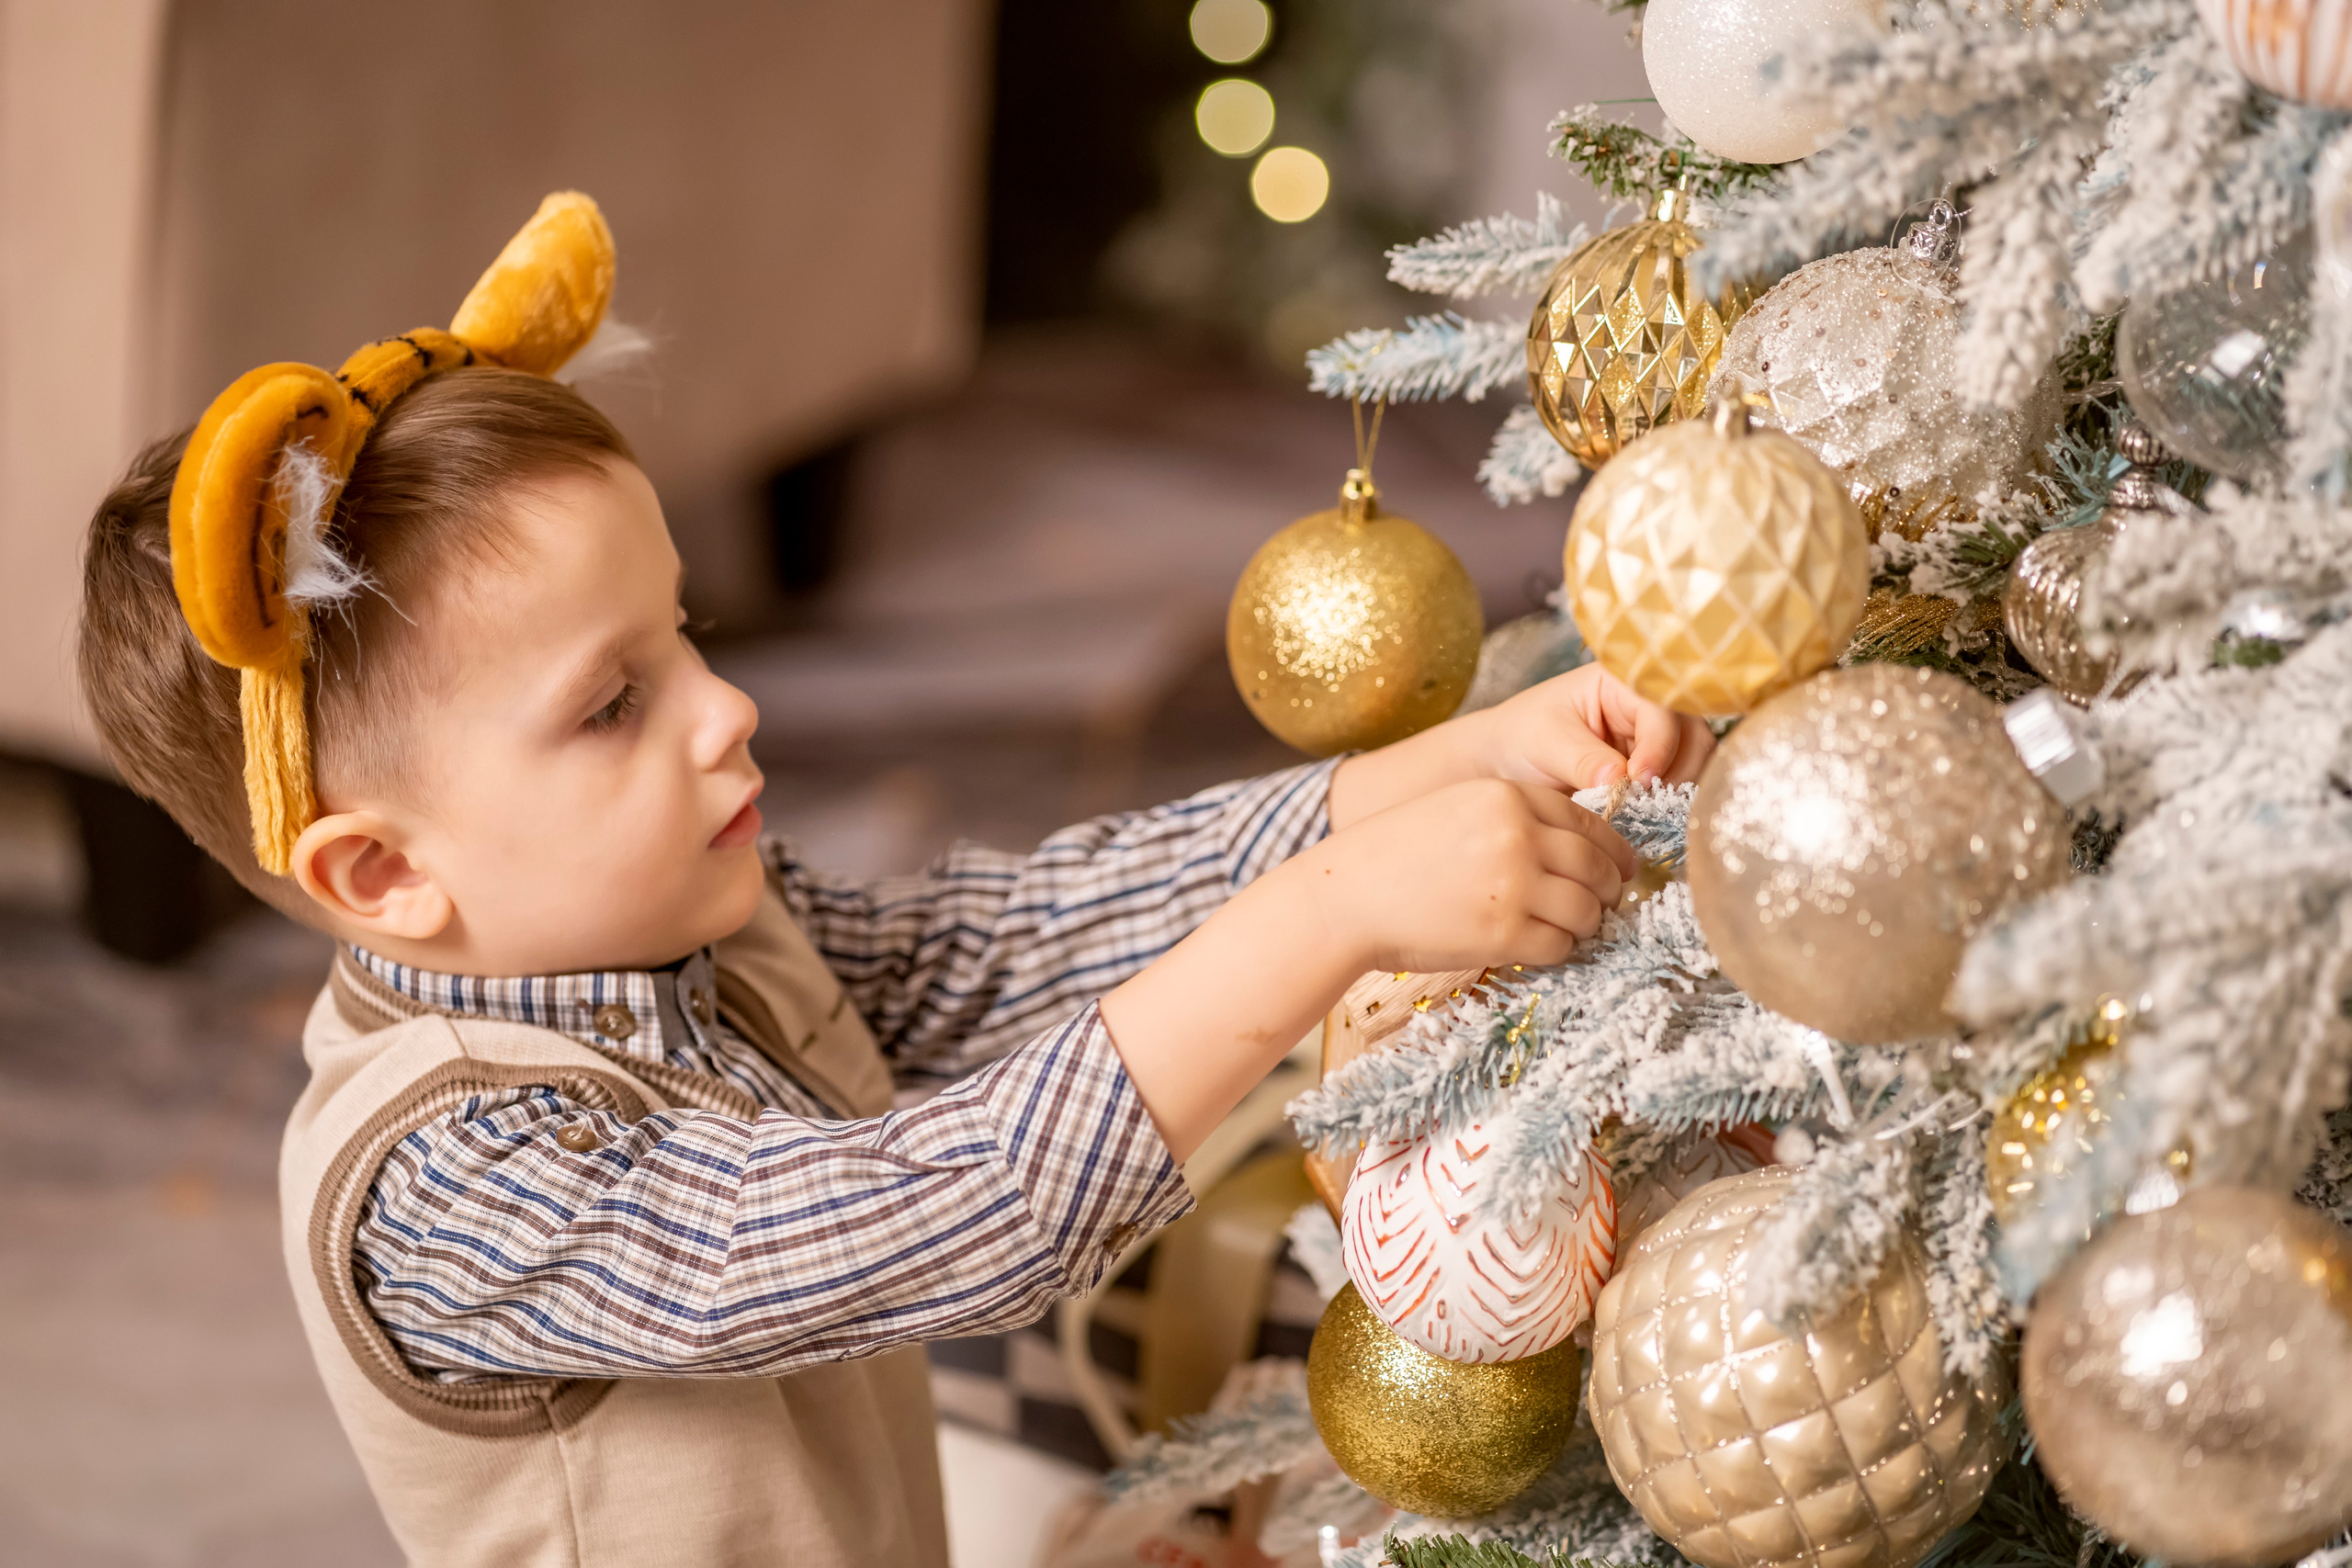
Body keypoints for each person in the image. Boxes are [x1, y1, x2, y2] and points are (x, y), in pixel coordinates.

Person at [77, 194, 1711, 1567]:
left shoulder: (679, 930)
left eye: (686, 637)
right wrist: (1334, 916)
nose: (728, 711)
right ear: (381, 872)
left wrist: (1420, 774)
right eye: (614, 704)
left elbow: (1009, 942)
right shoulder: (447, 1188)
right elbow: (933, 1216)